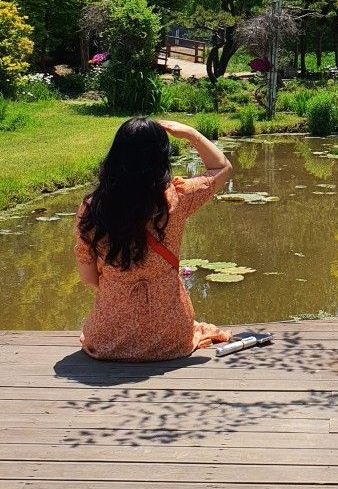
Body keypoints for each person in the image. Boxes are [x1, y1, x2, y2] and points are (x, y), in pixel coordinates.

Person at [74, 117, 233, 360]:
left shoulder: (92, 208)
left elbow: (87, 277)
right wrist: (191, 133)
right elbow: (223, 168)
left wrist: (121, 284)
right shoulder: (177, 199)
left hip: (108, 340)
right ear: (161, 158)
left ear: (116, 156)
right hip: (170, 338)